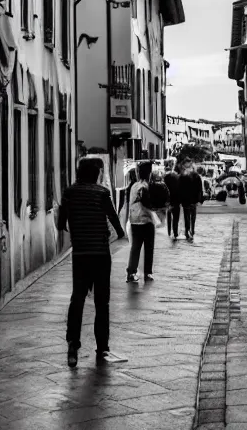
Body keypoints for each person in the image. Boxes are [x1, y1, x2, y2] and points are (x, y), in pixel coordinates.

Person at [58, 158, 125, 368]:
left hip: (80, 255)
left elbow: (61, 223)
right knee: (101, 303)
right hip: (101, 255)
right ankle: (102, 347)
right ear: (96, 175)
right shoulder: (102, 193)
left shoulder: (69, 193)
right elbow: (116, 223)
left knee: (77, 299)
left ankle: (72, 344)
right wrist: (113, 233)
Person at [126, 161, 156, 283]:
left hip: (134, 220)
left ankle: (131, 272)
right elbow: (146, 202)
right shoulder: (146, 186)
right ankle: (147, 273)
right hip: (146, 220)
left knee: (135, 247)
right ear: (149, 173)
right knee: (149, 248)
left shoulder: (133, 186)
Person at [178, 158, 203, 241]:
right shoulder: (196, 176)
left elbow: (180, 189)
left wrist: (180, 199)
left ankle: (188, 230)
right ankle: (191, 230)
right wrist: (199, 199)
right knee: (192, 216)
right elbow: (200, 189)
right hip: (192, 199)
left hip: (186, 200)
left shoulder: (182, 176)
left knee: (187, 216)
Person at [164, 161, 181, 240]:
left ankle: (169, 231)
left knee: (169, 214)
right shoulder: (178, 177)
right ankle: (175, 232)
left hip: (169, 198)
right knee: (176, 217)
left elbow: (164, 188)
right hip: (176, 199)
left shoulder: (166, 176)